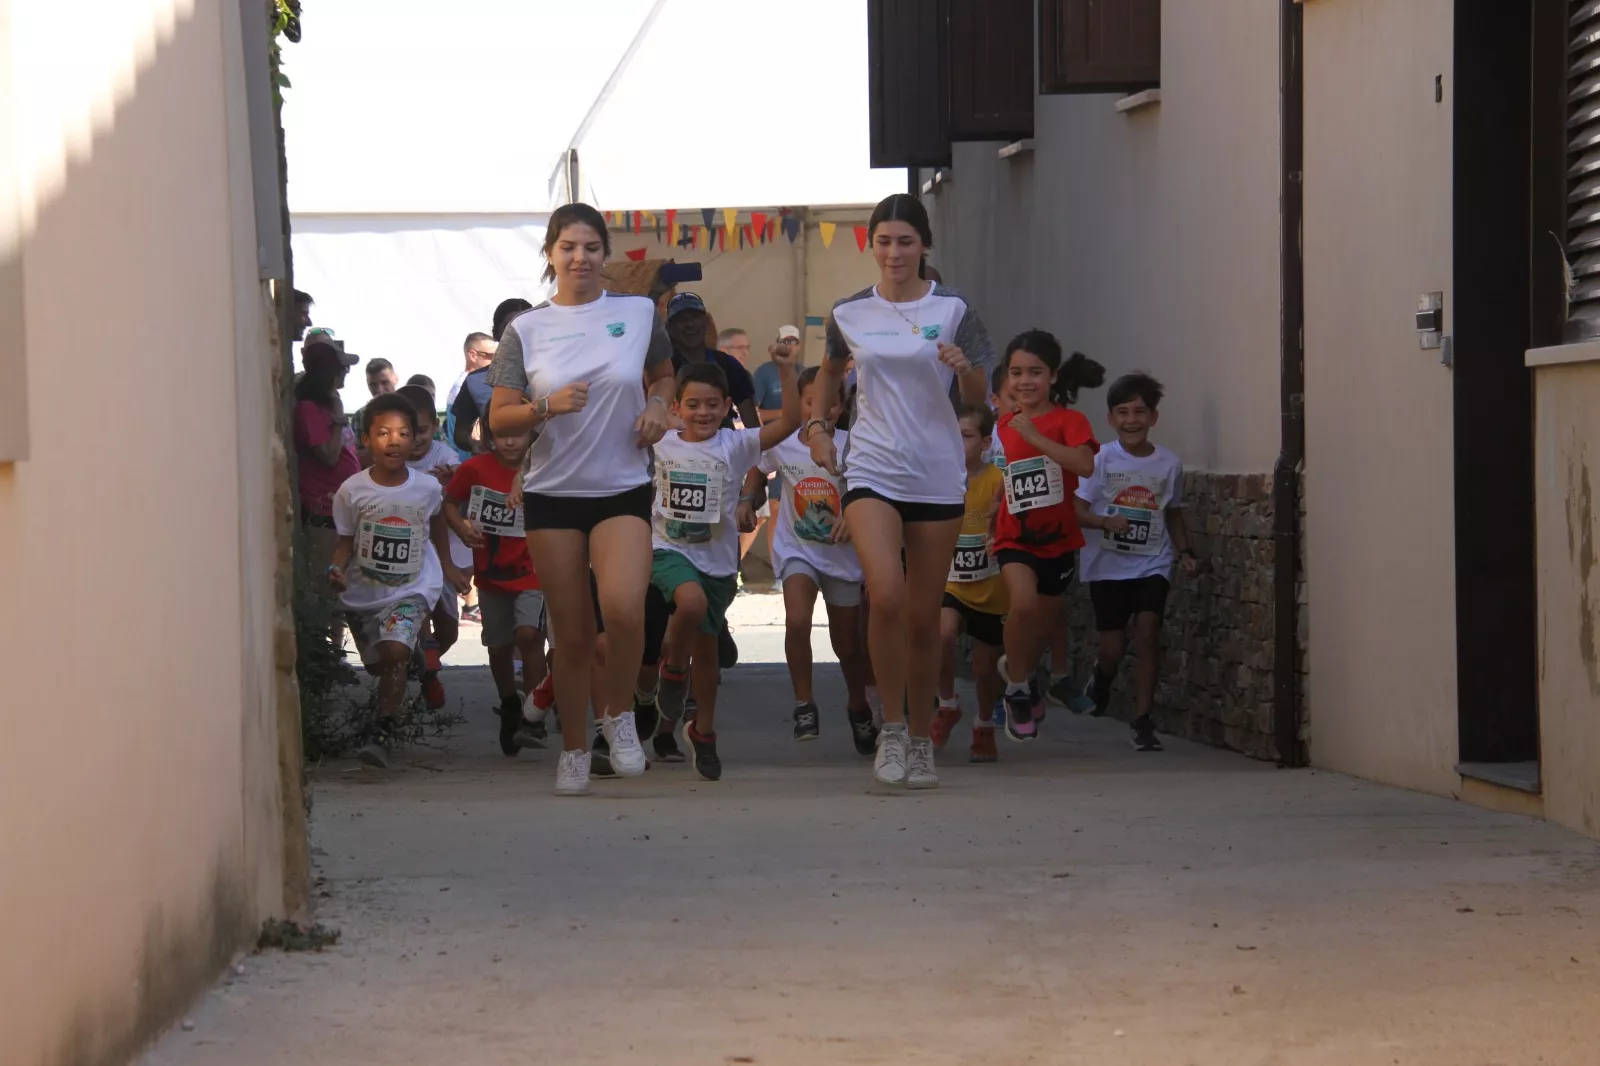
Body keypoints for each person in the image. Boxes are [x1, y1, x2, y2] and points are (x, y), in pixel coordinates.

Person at [486, 202, 675, 797]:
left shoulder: (638, 312)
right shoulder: (526, 330)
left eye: (591, 247)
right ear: (550, 254)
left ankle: (617, 715)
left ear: (605, 254)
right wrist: (546, 406)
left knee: (624, 608)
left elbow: (665, 375)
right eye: (568, 247)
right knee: (570, 633)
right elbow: (499, 418)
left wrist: (657, 406)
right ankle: (572, 747)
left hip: (621, 484)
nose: (580, 257)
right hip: (553, 493)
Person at [806, 193, 994, 789]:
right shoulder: (850, 313)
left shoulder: (955, 309)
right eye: (883, 241)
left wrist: (964, 367)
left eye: (905, 241)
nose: (894, 252)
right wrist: (817, 427)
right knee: (883, 595)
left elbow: (979, 395)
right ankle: (891, 729)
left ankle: (919, 737)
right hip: (872, 468)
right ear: (871, 245)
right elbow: (830, 371)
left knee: (920, 616)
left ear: (924, 246)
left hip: (937, 473)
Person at [652, 350, 800, 780]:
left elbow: (789, 422)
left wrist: (787, 372)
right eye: (693, 404)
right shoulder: (659, 440)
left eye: (713, 404)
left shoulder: (736, 444)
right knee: (690, 604)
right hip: (668, 550)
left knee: (709, 653)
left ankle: (705, 730)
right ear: (676, 407)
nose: (703, 412)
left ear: (727, 407)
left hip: (717, 563)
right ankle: (674, 672)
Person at [328, 394, 470, 768]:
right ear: (366, 441)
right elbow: (344, 540)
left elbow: (437, 524)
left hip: (412, 588)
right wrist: (337, 569)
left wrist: (448, 565)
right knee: (378, 665)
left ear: (413, 441)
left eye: (404, 433)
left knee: (394, 653)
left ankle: (383, 731)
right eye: (384, 433)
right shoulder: (352, 491)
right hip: (364, 593)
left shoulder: (427, 488)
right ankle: (414, 663)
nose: (394, 441)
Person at [738, 365, 873, 752]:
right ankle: (804, 704)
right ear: (800, 403)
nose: (823, 409)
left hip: (844, 556)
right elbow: (758, 468)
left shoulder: (855, 442)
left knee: (847, 645)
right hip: (799, 548)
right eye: (812, 401)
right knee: (797, 619)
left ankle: (858, 704)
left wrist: (853, 512)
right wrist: (749, 499)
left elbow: (869, 486)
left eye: (831, 401)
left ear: (842, 403)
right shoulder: (785, 443)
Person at [1074, 373, 1196, 752]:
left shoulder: (1169, 463)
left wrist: (1185, 551)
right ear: (1111, 419)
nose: (1132, 420)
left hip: (1151, 563)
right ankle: (1102, 677)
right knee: (1113, 647)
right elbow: (1076, 510)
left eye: (1140, 412)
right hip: (1107, 566)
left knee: (1148, 634)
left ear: (1154, 417)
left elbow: (1172, 512)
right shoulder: (1099, 460)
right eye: (1123, 412)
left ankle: (1143, 721)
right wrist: (1104, 521)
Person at [991, 332, 1103, 742]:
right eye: (1017, 372)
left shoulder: (1070, 422)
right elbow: (1010, 475)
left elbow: (1085, 466)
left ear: (1053, 376)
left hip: (1057, 538)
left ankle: (1036, 677)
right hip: (1013, 536)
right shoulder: (1003, 424)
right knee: (1021, 604)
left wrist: (1037, 437)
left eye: (1035, 372)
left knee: (1044, 619)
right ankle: (1017, 690)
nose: (1025, 381)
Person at [443, 427, 548, 756]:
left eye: (516, 435)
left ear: (530, 436)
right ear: (488, 439)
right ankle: (509, 704)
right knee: (500, 648)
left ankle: (535, 715)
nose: (510, 440)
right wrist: (461, 529)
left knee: (530, 635)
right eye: (502, 435)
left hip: (533, 569)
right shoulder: (475, 469)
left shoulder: (543, 466)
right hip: (490, 573)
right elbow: (449, 503)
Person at [930, 404, 1009, 763]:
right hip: (951, 582)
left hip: (991, 585)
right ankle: (947, 703)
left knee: (984, 666)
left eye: (966, 435)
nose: (957, 442)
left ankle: (983, 724)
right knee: (943, 635)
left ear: (986, 442)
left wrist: (999, 539)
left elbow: (1011, 523)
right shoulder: (939, 478)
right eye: (952, 434)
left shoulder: (998, 481)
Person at [399, 385, 470, 708]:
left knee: (449, 632)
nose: (415, 440)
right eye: (408, 432)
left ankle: (425, 665)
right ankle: (423, 655)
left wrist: (451, 482)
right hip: (407, 554)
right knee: (419, 613)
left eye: (422, 431)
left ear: (436, 428)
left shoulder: (443, 456)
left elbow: (461, 487)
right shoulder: (392, 459)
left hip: (442, 552)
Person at [293, 340, 361, 629]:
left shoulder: (328, 406)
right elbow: (329, 456)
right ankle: (326, 654)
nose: (345, 372)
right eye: (341, 368)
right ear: (327, 373)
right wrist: (336, 419)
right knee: (326, 586)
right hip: (324, 511)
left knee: (344, 584)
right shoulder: (310, 410)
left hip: (343, 507)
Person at [664, 292, 757, 430]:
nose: (690, 324)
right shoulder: (663, 369)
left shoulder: (728, 365)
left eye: (695, 317)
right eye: (681, 320)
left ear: (706, 322)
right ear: (670, 328)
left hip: (722, 445)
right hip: (675, 444)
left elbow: (752, 424)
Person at [452, 301, 532, 454]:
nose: (518, 333)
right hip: (499, 468)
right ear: (495, 333)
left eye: (526, 327)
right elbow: (460, 433)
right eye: (508, 327)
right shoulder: (475, 381)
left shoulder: (552, 375)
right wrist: (474, 444)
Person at [753, 325, 803, 424]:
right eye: (785, 342)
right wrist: (787, 413)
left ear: (799, 346)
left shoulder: (804, 371)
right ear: (776, 345)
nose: (789, 346)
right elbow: (752, 414)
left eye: (793, 342)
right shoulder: (763, 372)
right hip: (773, 434)